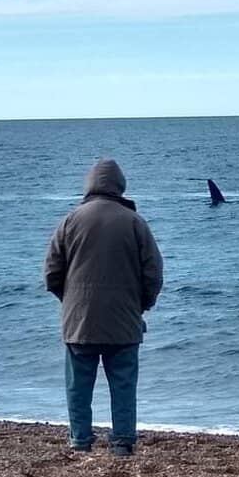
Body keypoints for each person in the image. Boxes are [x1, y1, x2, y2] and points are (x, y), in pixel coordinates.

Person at [44, 158, 163, 456]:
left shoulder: (70, 220)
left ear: (89, 185)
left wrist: (70, 300)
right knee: (123, 385)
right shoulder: (135, 222)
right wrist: (141, 305)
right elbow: (153, 274)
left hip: (79, 321)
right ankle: (122, 442)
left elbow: (51, 272)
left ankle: (80, 440)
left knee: (78, 387)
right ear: (120, 187)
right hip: (123, 321)